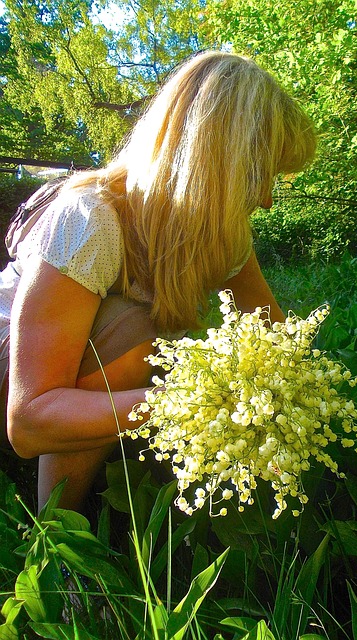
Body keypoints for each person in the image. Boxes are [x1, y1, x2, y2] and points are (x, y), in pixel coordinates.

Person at [0, 50, 316, 512]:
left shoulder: (222, 236)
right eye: (258, 177)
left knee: (166, 348)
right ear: (214, 167)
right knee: (136, 330)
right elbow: (29, 420)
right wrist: (186, 402)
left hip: (74, 383)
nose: (267, 200)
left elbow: (273, 339)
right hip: (19, 375)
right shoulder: (92, 219)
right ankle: (60, 542)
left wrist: (295, 406)